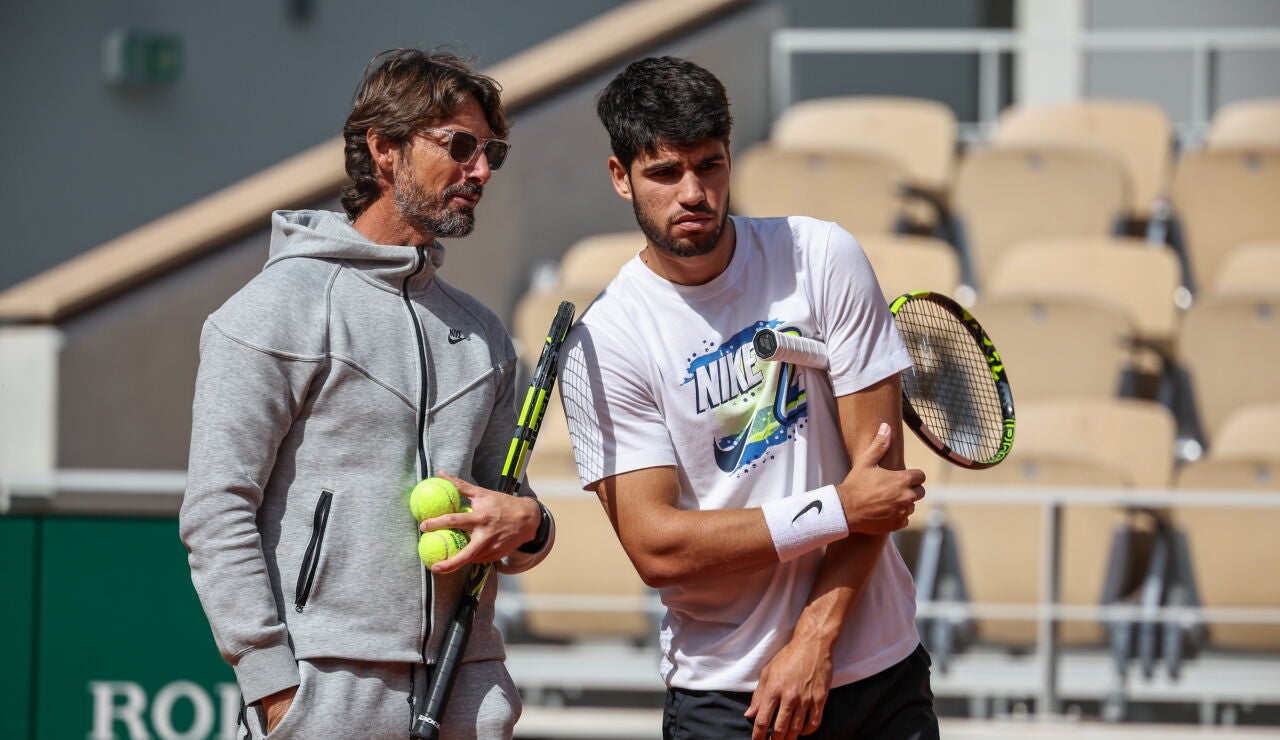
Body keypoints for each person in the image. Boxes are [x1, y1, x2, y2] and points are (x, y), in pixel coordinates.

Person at [557, 56, 938, 740]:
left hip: (878, 670)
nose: (693, 192)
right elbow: (658, 549)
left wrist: (814, 641)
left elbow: (877, 489)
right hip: (726, 696)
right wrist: (834, 508)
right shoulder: (604, 341)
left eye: (710, 165)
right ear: (621, 177)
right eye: (665, 172)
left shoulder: (821, 256)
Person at [179, 48, 555, 740]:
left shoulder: (484, 336)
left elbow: (514, 514)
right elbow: (215, 511)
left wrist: (528, 526)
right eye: (460, 146)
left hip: (466, 692)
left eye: (491, 152)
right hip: (323, 698)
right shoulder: (272, 310)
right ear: (384, 148)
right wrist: (275, 689)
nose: (481, 171)